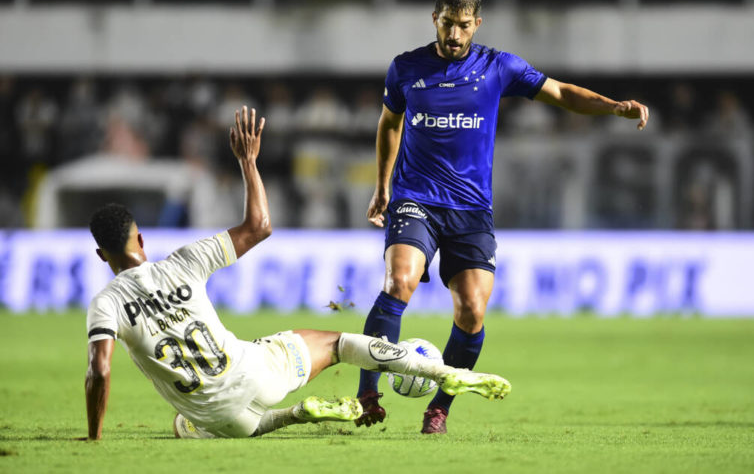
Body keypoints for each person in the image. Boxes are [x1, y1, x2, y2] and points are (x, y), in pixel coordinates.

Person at [84, 106, 511, 440]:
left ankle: (294, 416)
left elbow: (99, 371)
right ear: (140, 241)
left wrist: (94, 437)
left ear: (103, 256)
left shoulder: (105, 304)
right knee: (338, 343)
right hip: (254, 373)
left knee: (190, 423)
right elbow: (259, 227)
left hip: (226, 420)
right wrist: (248, 162)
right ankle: (443, 372)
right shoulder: (182, 262)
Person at [356, 0, 650, 434]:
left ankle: (440, 408)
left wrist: (612, 107)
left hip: (471, 211)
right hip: (416, 198)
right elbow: (389, 124)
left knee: (472, 311)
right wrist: (383, 187)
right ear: (435, 18)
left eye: (464, 26)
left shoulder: (498, 67)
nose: (455, 35)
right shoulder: (405, 68)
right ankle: (367, 394)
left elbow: (561, 92)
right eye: (448, 24)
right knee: (399, 281)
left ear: (478, 24)